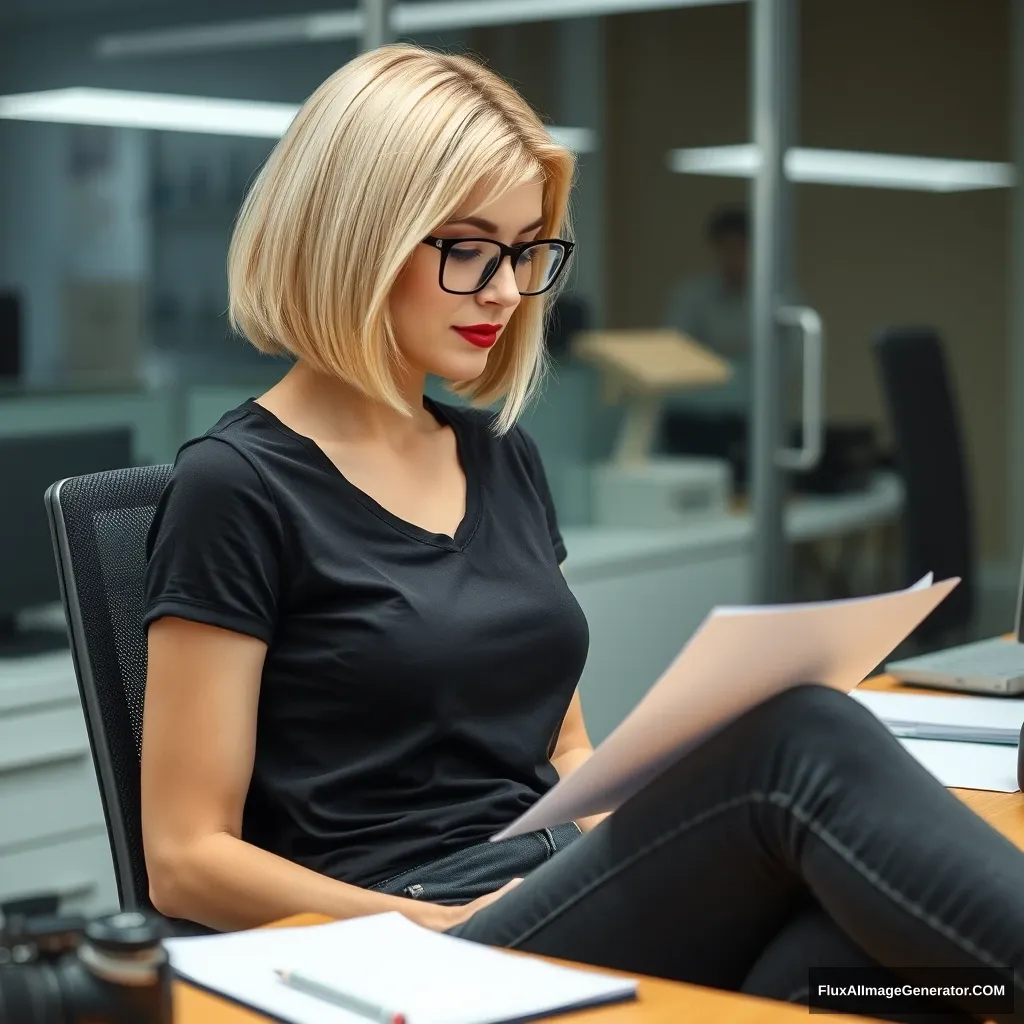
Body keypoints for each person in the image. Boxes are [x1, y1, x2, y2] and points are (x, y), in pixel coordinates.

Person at [141, 44, 1024, 1022]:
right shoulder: (234, 486)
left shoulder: (498, 456)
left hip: (551, 891)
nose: (507, 291)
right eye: (468, 248)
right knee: (803, 736)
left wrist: (637, 838)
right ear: (360, 234)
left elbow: (563, 741)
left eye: (524, 251)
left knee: (891, 962)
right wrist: (408, 922)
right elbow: (185, 859)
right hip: (419, 935)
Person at [664, 205, 750, 365]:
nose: (733, 258)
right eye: (727, 248)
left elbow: (794, 358)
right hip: (700, 385)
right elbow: (674, 347)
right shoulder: (691, 296)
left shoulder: (778, 300)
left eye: (740, 248)